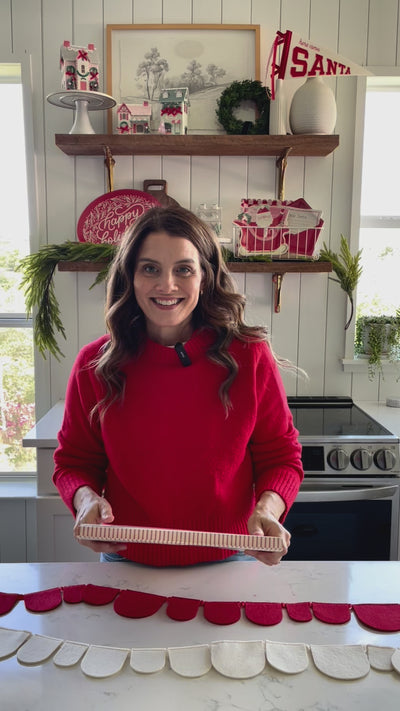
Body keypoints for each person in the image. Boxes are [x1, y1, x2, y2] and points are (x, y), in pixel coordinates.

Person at [53, 206, 303, 567]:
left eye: (183, 269)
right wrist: (85, 499)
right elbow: (73, 462)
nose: (166, 285)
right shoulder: (94, 365)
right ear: (130, 277)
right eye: (150, 268)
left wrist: (268, 508)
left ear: (205, 277)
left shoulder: (250, 356)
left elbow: (281, 456)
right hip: (127, 559)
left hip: (231, 556)